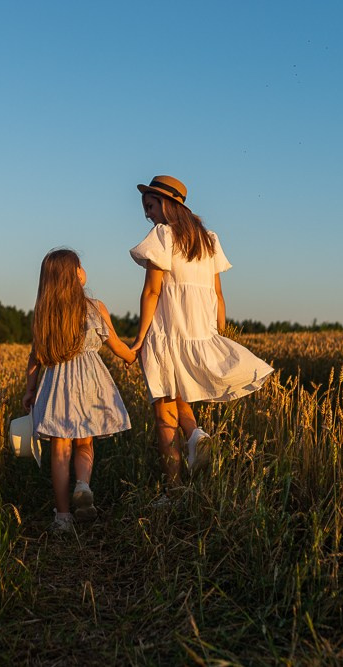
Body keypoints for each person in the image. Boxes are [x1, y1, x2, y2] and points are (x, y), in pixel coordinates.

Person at [129, 175, 273, 496]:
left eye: (150, 206)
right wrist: (220, 336)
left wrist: (139, 338)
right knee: (179, 398)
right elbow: (218, 295)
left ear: (166, 204)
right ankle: (196, 437)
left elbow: (152, 292)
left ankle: (174, 490)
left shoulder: (163, 235)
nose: (147, 214)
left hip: (166, 334)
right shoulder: (208, 240)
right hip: (199, 335)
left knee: (164, 416)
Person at [23, 248, 137, 533]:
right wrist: (131, 356)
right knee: (85, 442)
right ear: (74, 275)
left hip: (56, 385)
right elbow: (116, 344)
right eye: (80, 266)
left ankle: (62, 517)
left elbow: (35, 358)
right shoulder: (95, 307)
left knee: (60, 449)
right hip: (89, 384)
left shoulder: (45, 314)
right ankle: (83, 485)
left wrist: (30, 390)